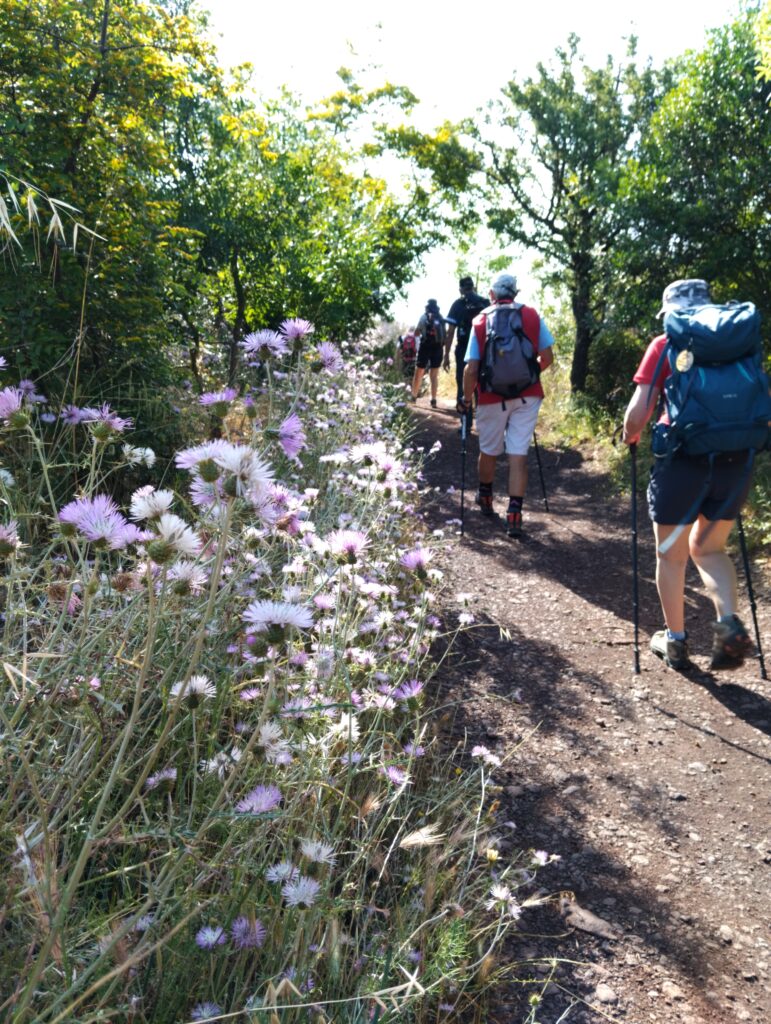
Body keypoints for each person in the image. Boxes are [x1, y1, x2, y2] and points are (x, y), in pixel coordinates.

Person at [622, 278, 755, 671]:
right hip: (734, 461)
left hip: (682, 464)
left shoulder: (665, 345)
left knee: (672, 555)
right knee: (709, 548)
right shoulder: (737, 344)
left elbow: (638, 412)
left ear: (672, 313)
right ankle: (729, 624)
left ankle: (675, 642)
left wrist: (630, 433)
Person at [460, 272, 555, 538]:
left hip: (490, 397)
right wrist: (527, 375)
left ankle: (486, 497)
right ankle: (514, 513)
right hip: (528, 396)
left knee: (489, 449)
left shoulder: (481, 320)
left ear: (491, 294)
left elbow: (471, 369)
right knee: (518, 454)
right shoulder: (532, 316)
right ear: (515, 293)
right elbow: (547, 357)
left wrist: (467, 400)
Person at [443, 276, 488, 412]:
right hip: (483, 349)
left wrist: (446, 356)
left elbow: (450, 332)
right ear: (473, 287)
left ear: (460, 290)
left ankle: (465, 425)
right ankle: (483, 424)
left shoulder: (457, 304)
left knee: (463, 385)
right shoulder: (485, 302)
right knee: (482, 386)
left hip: (463, 350)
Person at [411, 299, 446, 407]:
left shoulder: (423, 317)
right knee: (434, 374)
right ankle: (433, 399)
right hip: (438, 348)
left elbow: (416, 333)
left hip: (425, 346)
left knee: (419, 372)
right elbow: (444, 335)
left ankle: (413, 396)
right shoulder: (440, 318)